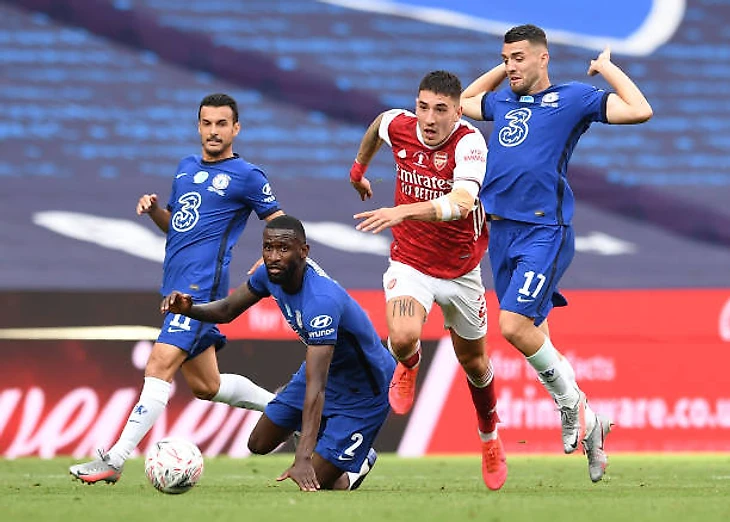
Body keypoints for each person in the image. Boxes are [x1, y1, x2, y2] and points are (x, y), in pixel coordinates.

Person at [460, 24, 653, 482]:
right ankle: (594, 430)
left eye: (520, 58)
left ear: (544, 59)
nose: (511, 67)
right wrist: (504, 70)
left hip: (544, 230)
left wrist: (607, 68)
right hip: (500, 233)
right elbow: (465, 103)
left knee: (512, 326)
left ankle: (572, 406)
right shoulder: (503, 100)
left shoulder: (571, 98)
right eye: (506, 58)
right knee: (535, 337)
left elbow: (640, 109)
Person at [70, 93, 285, 484]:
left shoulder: (247, 176)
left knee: (158, 366)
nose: (214, 131)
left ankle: (115, 460)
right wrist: (155, 210)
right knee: (208, 386)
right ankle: (294, 413)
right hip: (173, 289)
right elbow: (178, 226)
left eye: (223, 124)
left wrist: (271, 258)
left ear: (236, 128)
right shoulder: (185, 169)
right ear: (199, 126)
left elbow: (280, 219)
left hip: (199, 293)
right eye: (207, 123)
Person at [349, 70, 507, 491]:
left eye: (440, 110)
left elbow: (462, 202)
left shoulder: (470, 143)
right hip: (411, 262)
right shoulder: (400, 125)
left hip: (461, 270)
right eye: (423, 107)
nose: (429, 118)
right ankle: (409, 363)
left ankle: (489, 437)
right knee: (401, 337)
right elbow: (376, 127)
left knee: (475, 363)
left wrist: (401, 211)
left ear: (458, 111)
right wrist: (358, 169)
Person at [162, 215, 394, 491]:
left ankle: (359, 463)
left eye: (283, 249)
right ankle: (320, 437)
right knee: (258, 444)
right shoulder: (268, 275)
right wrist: (190, 309)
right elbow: (225, 311)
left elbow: (316, 388)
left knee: (319, 483)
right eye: (268, 247)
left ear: (304, 252)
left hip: (365, 389)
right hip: (329, 373)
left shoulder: (321, 302)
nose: (273, 256)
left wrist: (303, 458)